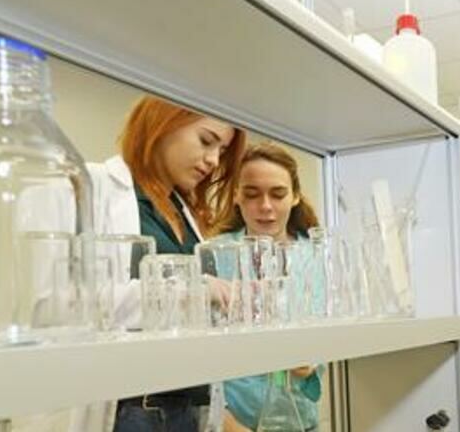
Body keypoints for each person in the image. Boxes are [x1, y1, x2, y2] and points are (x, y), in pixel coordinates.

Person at [98, 96, 246, 432]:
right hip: (133, 408)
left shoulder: (183, 211)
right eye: (206, 141)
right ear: (163, 123)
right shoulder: (101, 188)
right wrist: (195, 289)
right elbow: (81, 305)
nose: (213, 160)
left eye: (221, 150)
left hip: (188, 407)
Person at [211, 143, 324, 432]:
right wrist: (223, 422)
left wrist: (311, 362)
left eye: (278, 194)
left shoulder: (316, 258)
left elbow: (327, 337)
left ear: (295, 196)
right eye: (252, 194)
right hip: (233, 423)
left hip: (299, 420)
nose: (265, 206)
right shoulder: (213, 255)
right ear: (236, 195)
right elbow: (196, 354)